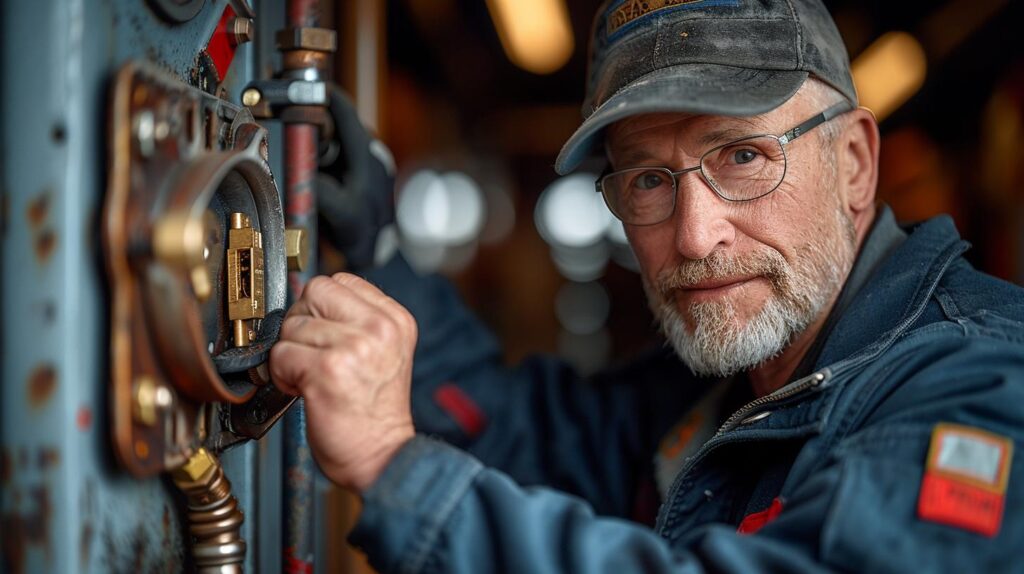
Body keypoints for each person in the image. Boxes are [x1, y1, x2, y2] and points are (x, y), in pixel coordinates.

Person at [270, 0, 1024, 571]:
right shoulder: (717, 389)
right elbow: (512, 429)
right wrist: (377, 246)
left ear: (855, 163)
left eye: (743, 158)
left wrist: (391, 464)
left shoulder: (980, 387)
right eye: (649, 179)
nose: (695, 237)